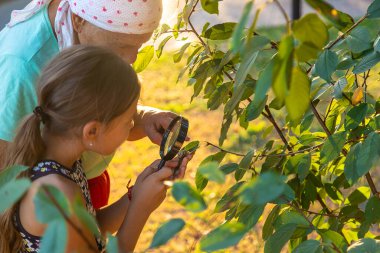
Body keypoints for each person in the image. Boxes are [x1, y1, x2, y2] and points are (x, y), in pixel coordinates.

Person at [0, 45, 192, 253]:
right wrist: (140, 209)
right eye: (128, 120)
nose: (132, 125)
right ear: (91, 131)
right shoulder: (56, 194)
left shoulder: (59, 159)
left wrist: (135, 195)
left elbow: (90, 229)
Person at [0, 0, 177, 209]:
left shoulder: (97, 36)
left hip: (84, 182)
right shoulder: (20, 67)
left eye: (139, 45)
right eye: (123, 47)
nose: (132, 58)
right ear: (79, 21)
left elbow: (100, 112)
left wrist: (145, 118)